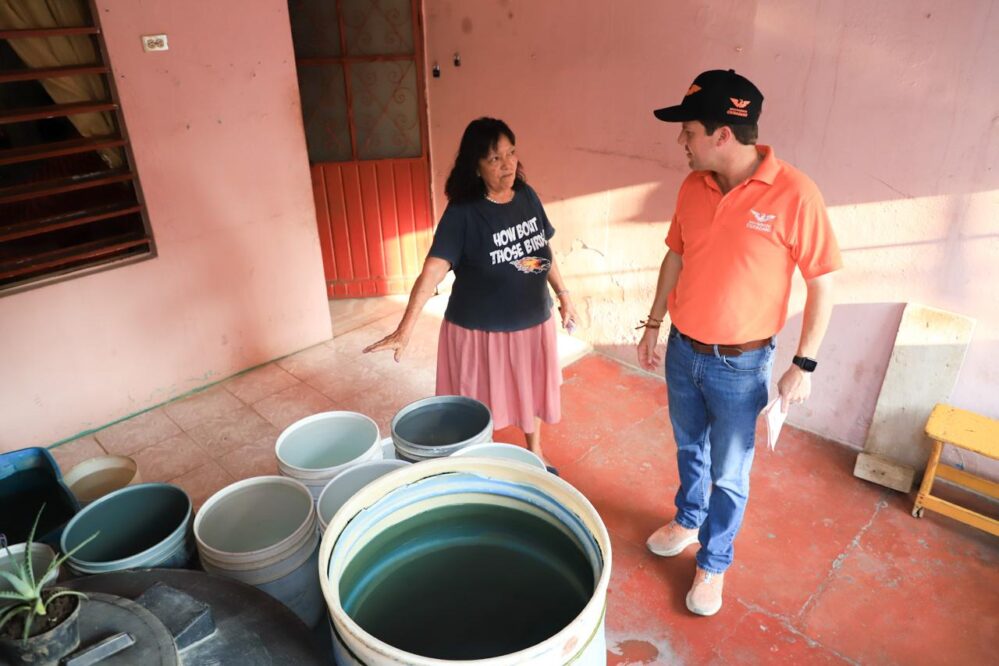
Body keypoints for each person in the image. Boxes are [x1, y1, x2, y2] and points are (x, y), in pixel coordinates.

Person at [637, 70, 842, 616]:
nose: (681, 139)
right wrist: (654, 323)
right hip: (684, 352)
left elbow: (821, 281)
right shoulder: (691, 186)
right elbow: (675, 255)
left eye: (688, 130)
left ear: (723, 133)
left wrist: (805, 362)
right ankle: (688, 517)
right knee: (688, 448)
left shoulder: (796, 193)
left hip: (742, 364)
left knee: (731, 470)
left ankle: (714, 561)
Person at [364, 117, 577, 469]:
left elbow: (542, 252)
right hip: (479, 332)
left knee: (532, 389)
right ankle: (480, 460)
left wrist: (564, 295)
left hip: (532, 322)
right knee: (477, 406)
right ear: (476, 166)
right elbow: (432, 270)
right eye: (495, 159)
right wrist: (405, 328)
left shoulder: (526, 196)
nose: (507, 164)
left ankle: (534, 449)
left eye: (510, 153)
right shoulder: (463, 213)